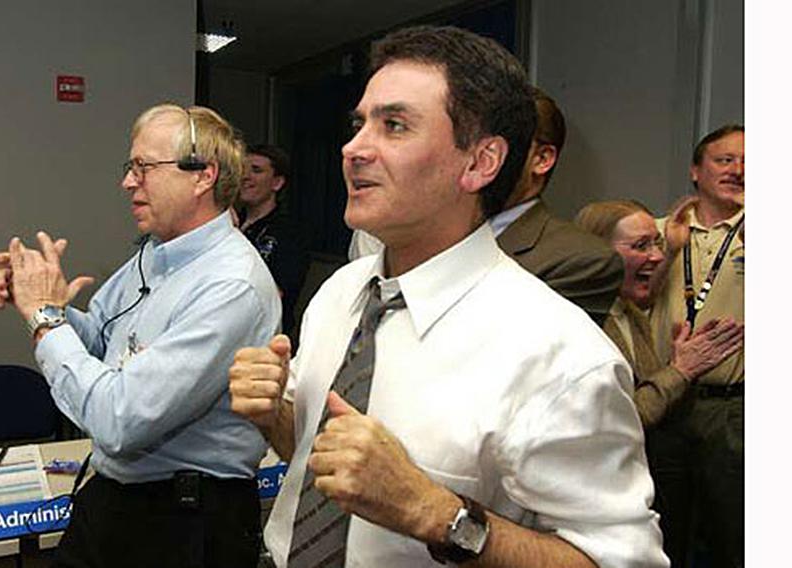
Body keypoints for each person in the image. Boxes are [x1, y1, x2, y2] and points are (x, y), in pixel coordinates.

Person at [230, 25, 667, 568]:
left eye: (393, 125)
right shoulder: (341, 294)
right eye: (358, 123)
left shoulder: (560, 354)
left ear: (480, 162)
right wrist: (276, 413)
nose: (353, 148)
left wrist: (436, 513)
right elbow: (327, 470)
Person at [0, 104, 281, 567]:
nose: (128, 182)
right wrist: (47, 303)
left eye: (144, 167)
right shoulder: (155, 253)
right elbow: (104, 344)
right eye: (130, 167)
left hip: (185, 524)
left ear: (203, 175)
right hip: (118, 500)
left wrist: (46, 319)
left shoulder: (231, 285)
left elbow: (120, 419)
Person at [348, 88, 622, 326]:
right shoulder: (426, 233)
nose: (481, 158)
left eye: (499, 147)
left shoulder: (582, 260)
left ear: (541, 158)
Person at [647, 125, 745, 568]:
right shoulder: (653, 231)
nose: (738, 170)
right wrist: (668, 253)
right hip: (662, 401)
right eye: (725, 160)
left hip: (733, 410)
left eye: (749, 163)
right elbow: (631, 297)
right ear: (695, 170)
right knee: (661, 536)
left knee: (735, 538)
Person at [574, 199, 743, 428]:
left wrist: (684, 364)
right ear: (597, 251)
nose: (658, 257)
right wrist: (681, 370)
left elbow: (657, 407)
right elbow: (621, 421)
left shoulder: (632, 316)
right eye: (641, 246)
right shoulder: (582, 323)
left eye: (657, 244)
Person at [239, 144, 309, 339]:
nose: (245, 176)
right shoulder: (228, 224)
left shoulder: (290, 232)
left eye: (256, 170)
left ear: (277, 183)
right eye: (242, 169)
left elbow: (277, 292)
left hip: (265, 337)